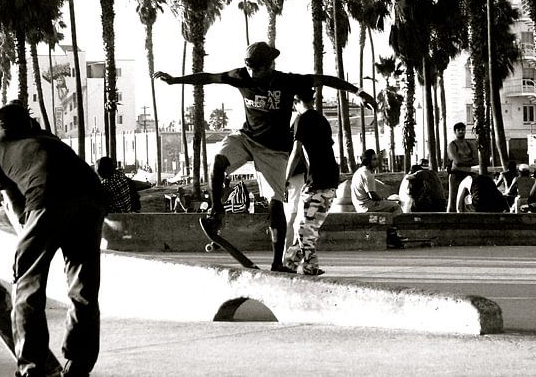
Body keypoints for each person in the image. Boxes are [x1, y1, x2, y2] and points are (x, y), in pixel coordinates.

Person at [154, 41, 375, 272]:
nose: (253, 74)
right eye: (249, 68)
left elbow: (326, 79)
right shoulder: (240, 76)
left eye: (258, 69)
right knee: (217, 162)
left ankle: (277, 262)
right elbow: (209, 77)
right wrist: (175, 80)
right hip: (246, 138)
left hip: (275, 150)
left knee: (275, 203)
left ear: (270, 65)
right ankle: (216, 211)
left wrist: (359, 92)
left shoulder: (288, 81)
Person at [0, 103, 106, 377]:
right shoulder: (49, 139)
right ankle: (78, 367)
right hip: (91, 197)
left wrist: (25, 240)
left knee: (28, 285)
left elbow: (14, 204)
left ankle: (31, 367)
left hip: (47, 199)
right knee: (83, 287)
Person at [281, 88, 337, 275]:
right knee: (307, 227)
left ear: (296, 101)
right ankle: (289, 263)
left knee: (306, 229)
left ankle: (309, 266)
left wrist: (284, 180)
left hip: (317, 183)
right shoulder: (322, 120)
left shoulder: (301, 120)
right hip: (330, 181)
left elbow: (297, 153)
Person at [351, 149, 402, 214]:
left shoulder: (358, 172)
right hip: (367, 207)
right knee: (396, 206)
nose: (377, 161)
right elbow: (372, 195)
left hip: (359, 206)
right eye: (374, 159)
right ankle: (397, 224)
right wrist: (384, 199)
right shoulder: (368, 175)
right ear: (368, 161)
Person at [446, 122, 478, 212]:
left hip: (467, 175)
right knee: (453, 200)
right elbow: (457, 161)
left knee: (467, 200)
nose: (461, 132)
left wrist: (462, 161)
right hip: (455, 175)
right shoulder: (452, 145)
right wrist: (469, 160)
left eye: (463, 130)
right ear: (455, 132)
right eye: (459, 130)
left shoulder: (470, 144)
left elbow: (476, 160)